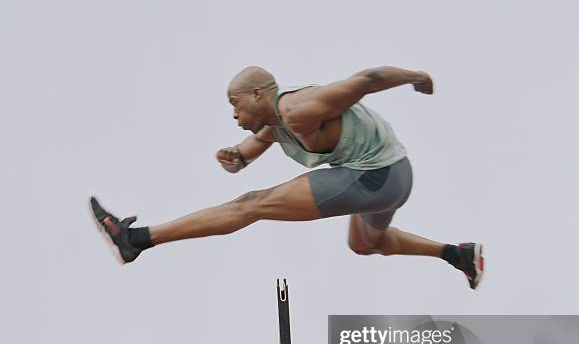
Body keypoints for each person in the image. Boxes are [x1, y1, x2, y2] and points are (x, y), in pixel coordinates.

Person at [89, 65, 484, 289]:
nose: (232, 114)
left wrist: (418, 77)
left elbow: (368, 80)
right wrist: (235, 157)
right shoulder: (276, 124)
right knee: (366, 243)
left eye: (235, 104)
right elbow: (250, 150)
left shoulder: (300, 110)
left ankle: (136, 239)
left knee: (252, 204)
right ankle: (457, 254)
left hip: (376, 177)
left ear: (259, 94)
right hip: (391, 178)